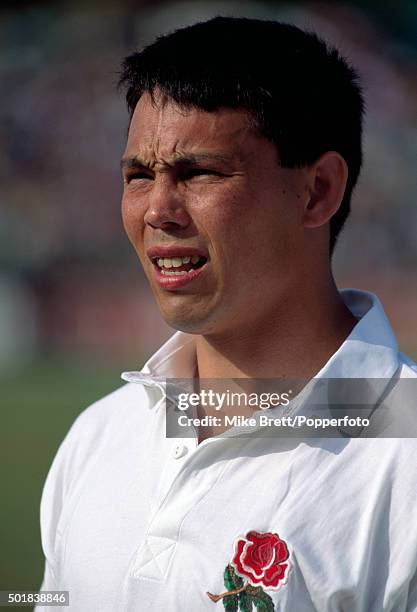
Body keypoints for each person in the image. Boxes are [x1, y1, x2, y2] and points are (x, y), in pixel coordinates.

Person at [36, 17, 417, 612]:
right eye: (139, 175)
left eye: (199, 173)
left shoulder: (404, 460)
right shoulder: (99, 436)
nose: (157, 210)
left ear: (318, 190)